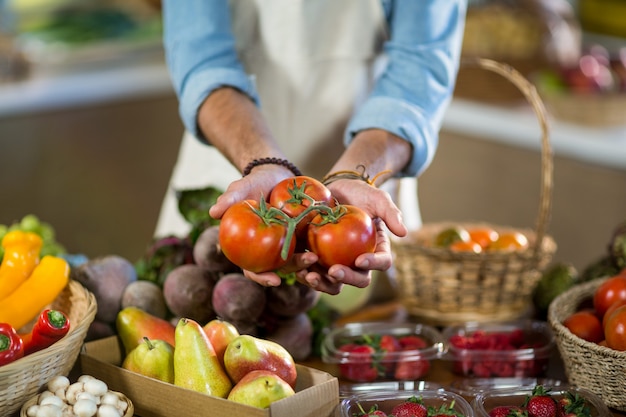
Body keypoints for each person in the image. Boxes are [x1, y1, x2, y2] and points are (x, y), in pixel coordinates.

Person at [157, 0, 467, 296]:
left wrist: (357, 175)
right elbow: (202, 64)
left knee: (370, 336)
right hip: (233, 173)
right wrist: (261, 162)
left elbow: (419, 77)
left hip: (367, 182)